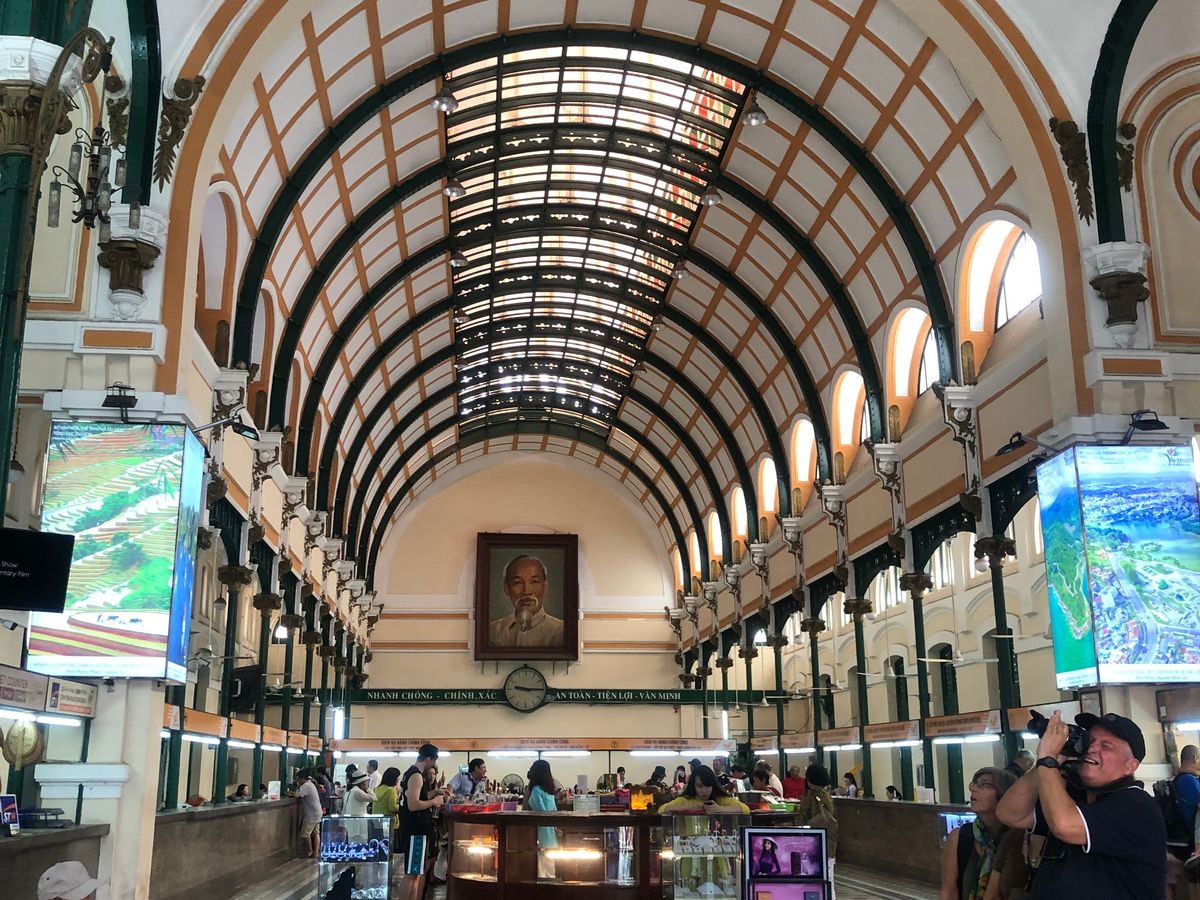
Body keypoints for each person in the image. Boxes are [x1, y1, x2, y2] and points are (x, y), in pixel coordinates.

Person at [995, 710, 1165, 898]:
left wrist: (1047, 760)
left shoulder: (1136, 806)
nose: (1091, 749)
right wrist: (1056, 757)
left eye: (1106, 746)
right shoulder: (1070, 798)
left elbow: (1064, 825)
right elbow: (1010, 813)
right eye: (1089, 741)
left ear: (1130, 766)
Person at [938, 767, 1017, 900]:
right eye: (974, 783)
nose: (973, 789)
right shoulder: (960, 836)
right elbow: (949, 890)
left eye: (985, 785)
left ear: (1004, 795)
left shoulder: (1018, 839)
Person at [397, 743, 446, 900]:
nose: (434, 764)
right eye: (434, 760)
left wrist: (435, 792)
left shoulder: (411, 773)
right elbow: (413, 805)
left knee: (416, 872)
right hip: (415, 830)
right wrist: (434, 801)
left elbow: (418, 796)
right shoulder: (416, 776)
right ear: (429, 759)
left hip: (415, 829)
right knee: (412, 874)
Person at [488, 555, 563, 647]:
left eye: (534, 581)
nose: (527, 591)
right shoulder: (493, 631)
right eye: (518, 582)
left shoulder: (560, 632)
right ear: (506, 589)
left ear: (545, 587)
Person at [797, 765, 838, 884]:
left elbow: (801, 820)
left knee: (811, 882)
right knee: (828, 880)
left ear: (809, 780)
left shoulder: (808, 797)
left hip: (811, 845)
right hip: (829, 845)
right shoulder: (828, 797)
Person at [659, 765, 750, 815]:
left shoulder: (720, 799)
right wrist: (686, 808)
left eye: (708, 786)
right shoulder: (685, 800)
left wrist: (719, 809)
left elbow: (745, 809)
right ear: (693, 785)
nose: (704, 790)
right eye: (699, 786)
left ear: (713, 785)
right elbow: (662, 810)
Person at [525, 759, 560, 879]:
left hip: (540, 832)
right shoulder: (550, 791)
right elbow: (554, 810)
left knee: (540, 866)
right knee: (550, 867)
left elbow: (540, 811)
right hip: (551, 833)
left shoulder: (536, 790)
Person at [294, 769, 323, 858]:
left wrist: (294, 789)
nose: (297, 781)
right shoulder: (311, 784)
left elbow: (297, 795)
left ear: (302, 778)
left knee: (305, 834)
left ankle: (310, 851)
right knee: (316, 833)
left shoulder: (305, 786)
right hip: (318, 813)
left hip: (311, 814)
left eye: (298, 779)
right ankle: (316, 852)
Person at [374, 767, 403, 837]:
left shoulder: (377, 789)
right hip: (389, 822)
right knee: (390, 841)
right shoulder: (391, 791)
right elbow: (392, 807)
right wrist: (403, 807)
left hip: (377, 822)